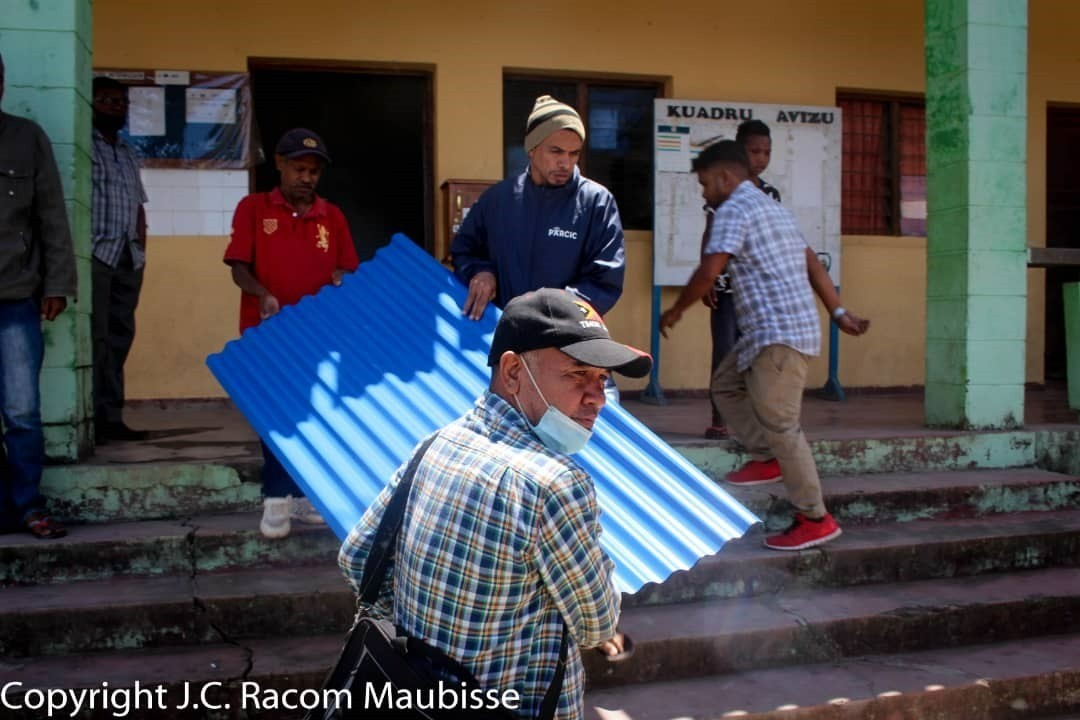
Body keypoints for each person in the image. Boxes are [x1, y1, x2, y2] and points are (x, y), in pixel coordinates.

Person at [339, 288, 648, 719]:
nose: (596, 396)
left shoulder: (436, 444)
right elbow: (596, 623)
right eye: (578, 374)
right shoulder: (554, 484)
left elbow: (357, 559)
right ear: (513, 370)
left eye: (602, 379)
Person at [660, 141, 869, 551]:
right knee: (725, 385)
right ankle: (766, 456)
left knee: (783, 427)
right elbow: (811, 260)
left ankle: (815, 517)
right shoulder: (771, 207)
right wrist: (839, 312)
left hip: (779, 336)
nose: (704, 193)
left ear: (724, 178)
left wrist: (675, 311)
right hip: (766, 333)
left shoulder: (733, 208)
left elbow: (709, 271)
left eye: (704, 184)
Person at [223, 128, 359, 539]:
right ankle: (276, 496)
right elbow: (238, 266)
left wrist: (340, 277)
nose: (307, 177)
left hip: (316, 334)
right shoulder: (253, 208)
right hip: (267, 331)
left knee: (312, 414)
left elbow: (347, 268)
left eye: (314, 171)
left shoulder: (331, 216)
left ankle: (301, 497)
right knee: (275, 413)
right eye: (299, 168)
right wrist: (262, 294)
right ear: (279, 165)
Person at [451, 95, 625, 322]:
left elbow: (605, 280)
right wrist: (481, 272)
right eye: (556, 151)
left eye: (574, 153)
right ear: (532, 149)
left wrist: (551, 310)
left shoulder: (597, 203)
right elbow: (464, 250)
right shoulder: (498, 200)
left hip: (563, 338)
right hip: (502, 334)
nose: (566, 163)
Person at [0, 52, 77, 538]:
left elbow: (52, 215)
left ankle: (28, 506)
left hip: (15, 297)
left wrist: (58, 284)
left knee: (22, 412)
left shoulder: (26, 139)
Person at [704, 120, 782, 440]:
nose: (761, 158)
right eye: (754, 151)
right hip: (726, 289)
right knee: (724, 354)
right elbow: (710, 233)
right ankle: (718, 420)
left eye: (766, 152)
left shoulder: (770, 193)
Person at [91, 76, 150, 444]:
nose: (115, 106)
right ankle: (90, 418)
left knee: (120, 337)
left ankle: (111, 417)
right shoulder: (85, 147)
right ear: (90, 103)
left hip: (128, 256)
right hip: (96, 253)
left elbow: (139, 206)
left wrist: (142, 248)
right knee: (95, 339)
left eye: (121, 101)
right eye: (106, 100)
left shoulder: (128, 152)